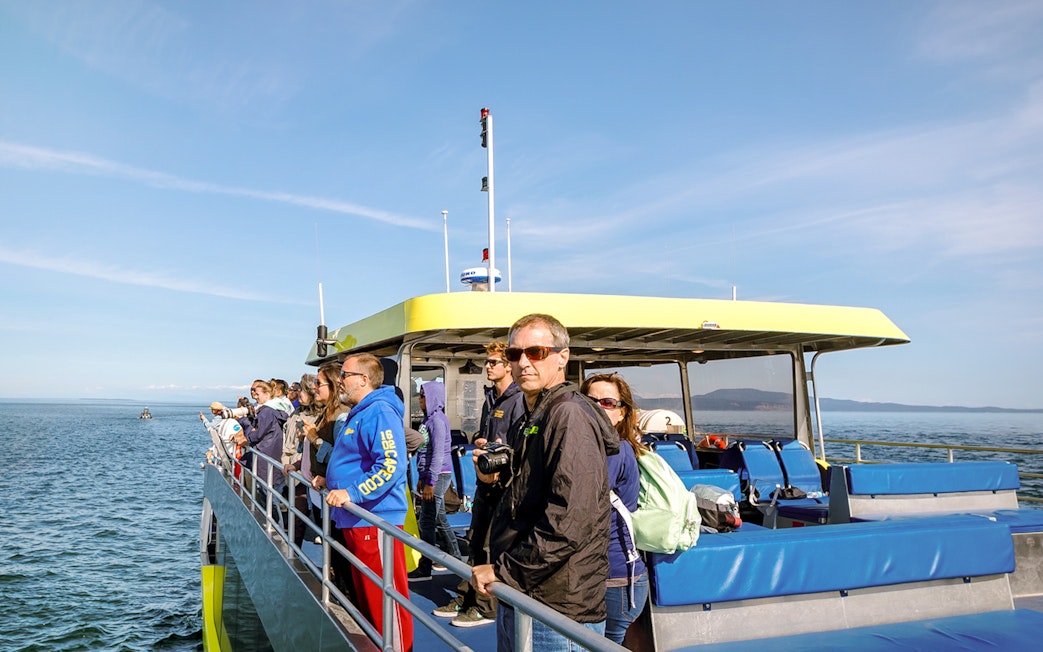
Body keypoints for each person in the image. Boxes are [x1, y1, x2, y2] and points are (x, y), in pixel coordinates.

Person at [471, 314, 619, 651]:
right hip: (528, 594)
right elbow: (524, 498)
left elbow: (569, 519)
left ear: (562, 357)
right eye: (514, 354)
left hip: (556, 608)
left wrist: (505, 572)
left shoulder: (568, 416)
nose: (523, 362)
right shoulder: (533, 416)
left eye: (536, 352)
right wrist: (492, 481)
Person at [324, 353, 413, 651]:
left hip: (375, 520)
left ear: (363, 380)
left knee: (386, 600)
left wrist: (352, 493)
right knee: (368, 599)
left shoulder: (379, 412)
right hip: (357, 518)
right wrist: (331, 482)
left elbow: (390, 464)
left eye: (345, 375)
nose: (340, 380)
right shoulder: (363, 411)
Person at [434, 340, 523, 627]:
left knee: (489, 545)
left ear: (508, 365)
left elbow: (520, 446)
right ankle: (466, 595)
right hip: (485, 483)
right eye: (487, 361)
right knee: (474, 541)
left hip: (506, 486)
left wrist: (501, 449)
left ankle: (487, 606)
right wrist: (483, 443)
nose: (488, 366)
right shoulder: (491, 399)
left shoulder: (519, 400)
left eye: (493, 362)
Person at [581, 373, 650, 646]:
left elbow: (582, 507)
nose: (598, 407)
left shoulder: (614, 452)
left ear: (621, 414)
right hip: (609, 575)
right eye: (590, 401)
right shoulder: (594, 449)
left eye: (608, 402)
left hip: (614, 578)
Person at [409, 380, 462, 580]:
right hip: (430, 475)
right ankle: (454, 556)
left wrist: (430, 481)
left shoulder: (438, 421)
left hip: (439, 475)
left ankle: (426, 566)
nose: (420, 399)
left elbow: (438, 454)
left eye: (423, 396)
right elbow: (424, 452)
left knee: (427, 521)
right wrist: (422, 477)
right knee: (438, 516)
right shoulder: (427, 421)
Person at [233, 379, 290, 499]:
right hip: (272, 453)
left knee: (267, 491)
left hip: (265, 454)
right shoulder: (278, 409)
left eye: (258, 394)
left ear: (267, 394)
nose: (256, 397)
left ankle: (274, 515)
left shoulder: (267, 412)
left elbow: (257, 434)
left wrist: (243, 421)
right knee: (273, 488)